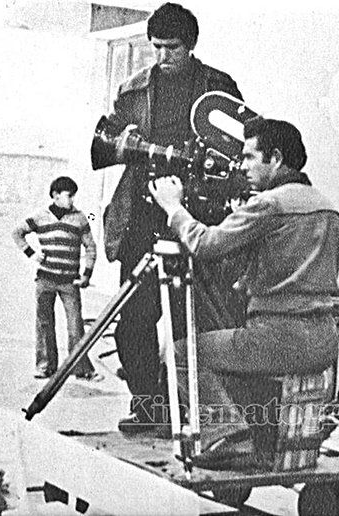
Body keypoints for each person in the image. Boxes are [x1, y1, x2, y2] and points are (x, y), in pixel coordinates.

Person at [149, 116, 339, 468]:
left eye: (250, 157)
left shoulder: (270, 204)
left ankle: (230, 436)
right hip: (324, 340)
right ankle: (254, 439)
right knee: (226, 349)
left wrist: (174, 208)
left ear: (276, 158)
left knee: (178, 353)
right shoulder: (328, 207)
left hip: (278, 338)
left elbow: (205, 244)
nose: (242, 166)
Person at [95, 2, 246, 433]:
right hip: (142, 218)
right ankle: (149, 407)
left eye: (172, 47)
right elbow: (109, 141)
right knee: (134, 323)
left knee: (190, 324)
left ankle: (187, 410)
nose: (163, 56)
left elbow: (239, 148)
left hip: (197, 219)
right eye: (156, 47)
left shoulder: (218, 87)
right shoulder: (133, 90)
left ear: (190, 45)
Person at [13, 176, 103, 381]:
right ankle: (45, 366)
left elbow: (91, 247)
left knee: (75, 326)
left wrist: (87, 275)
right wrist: (31, 253)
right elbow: (17, 232)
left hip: (69, 282)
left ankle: (80, 368)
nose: (72, 200)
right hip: (44, 280)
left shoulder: (80, 218)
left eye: (73, 196)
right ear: (55, 195)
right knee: (44, 323)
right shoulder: (40, 217)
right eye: (69, 196)